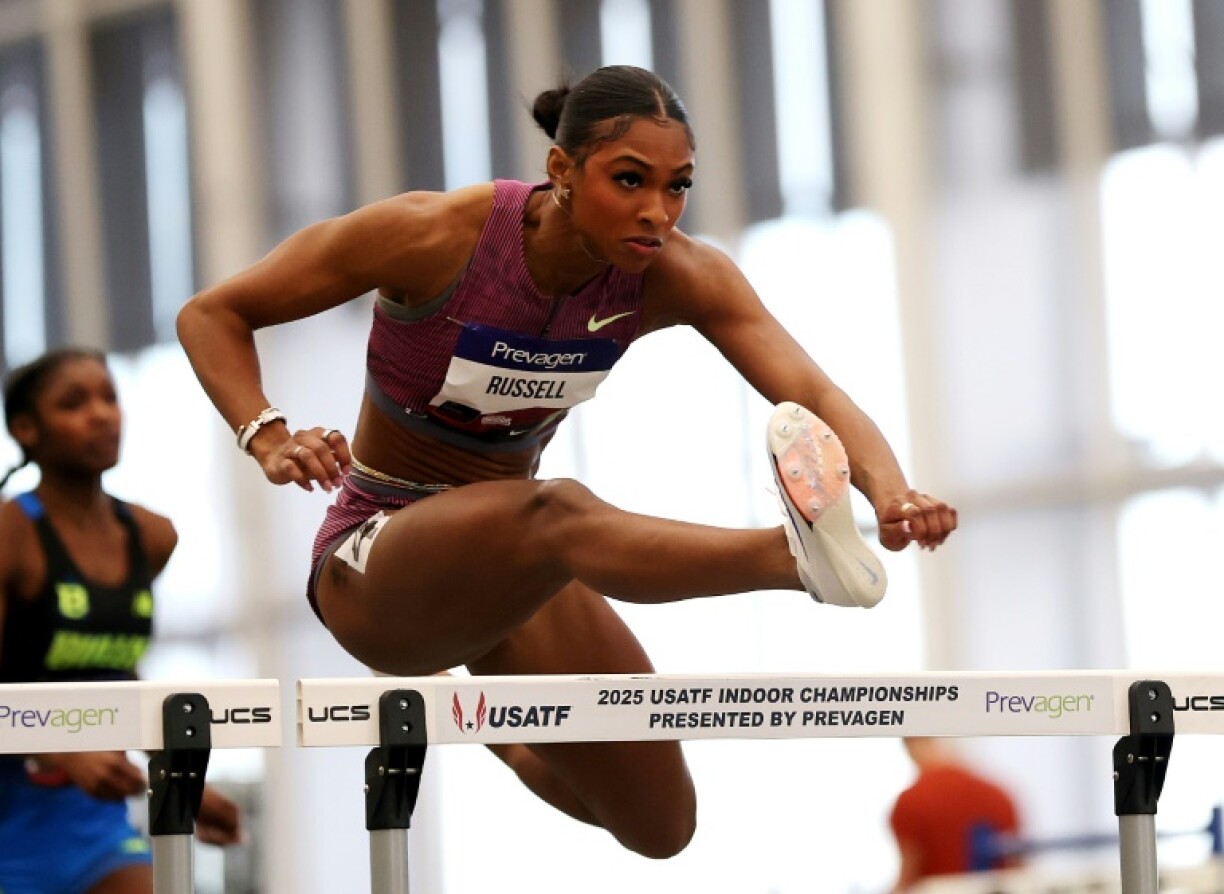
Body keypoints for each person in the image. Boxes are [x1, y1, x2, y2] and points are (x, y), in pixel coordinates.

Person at [176, 65, 958, 858]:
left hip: (511, 569)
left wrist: (892, 493)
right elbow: (212, 313)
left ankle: (500, 736)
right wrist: (268, 435)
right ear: (561, 169)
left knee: (660, 826)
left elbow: (812, 389)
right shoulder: (433, 234)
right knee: (559, 508)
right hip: (377, 560)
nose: (657, 212)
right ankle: (793, 560)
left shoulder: (678, 273)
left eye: (679, 187)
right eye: (630, 180)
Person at [0, 347, 242, 893]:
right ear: (26, 428)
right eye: (74, 403)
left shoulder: (152, 536)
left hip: (91, 823)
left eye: (109, 398)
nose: (101, 414)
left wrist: (182, 780)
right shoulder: (10, 535)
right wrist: (64, 749)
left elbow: (115, 674)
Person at [888, 737, 1022, 891]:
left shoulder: (910, 802)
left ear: (910, 749)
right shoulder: (998, 795)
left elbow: (908, 875)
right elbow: (1015, 867)